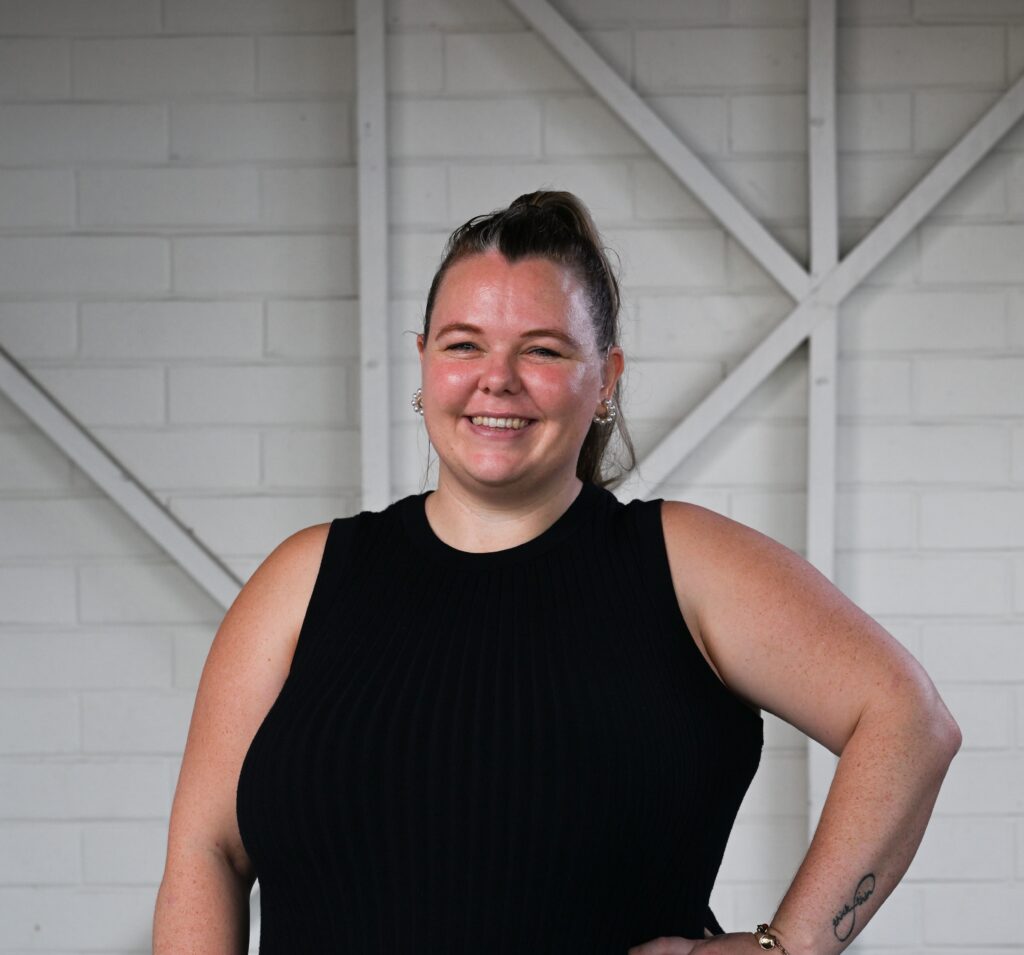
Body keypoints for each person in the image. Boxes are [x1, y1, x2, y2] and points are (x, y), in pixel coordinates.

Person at [152, 191, 961, 954]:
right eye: (463, 343)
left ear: (604, 379)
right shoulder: (305, 579)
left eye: (541, 350)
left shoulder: (682, 565)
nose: (494, 379)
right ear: (424, 361)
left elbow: (909, 721)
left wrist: (793, 943)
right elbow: (208, 846)